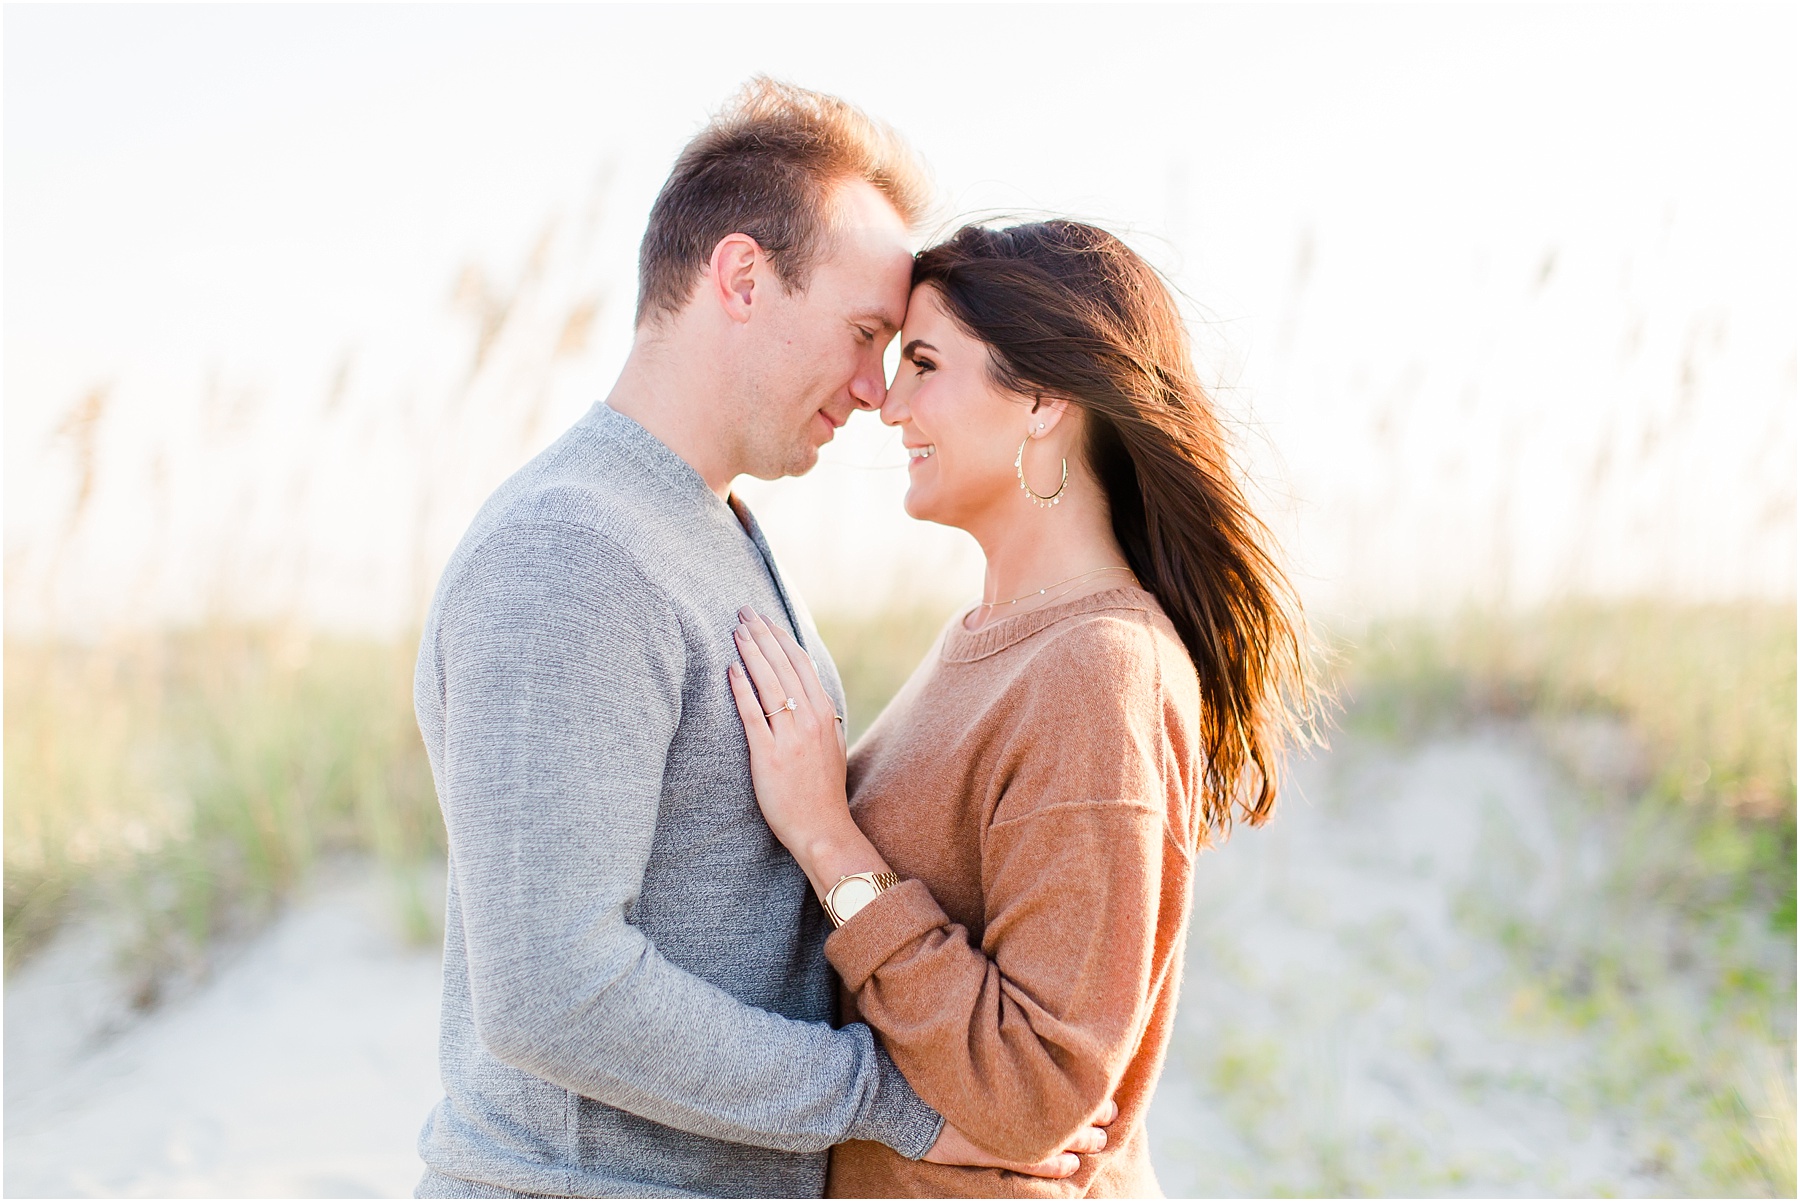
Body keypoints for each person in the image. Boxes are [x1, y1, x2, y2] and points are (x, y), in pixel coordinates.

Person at [411, 83, 1107, 1198]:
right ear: (741, 277)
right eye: (866, 332)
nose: (879, 389)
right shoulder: (570, 550)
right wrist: (892, 1102)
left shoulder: (707, 525)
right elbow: (554, 988)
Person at [727, 220, 1315, 1196]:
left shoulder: (1099, 671)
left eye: (922, 362)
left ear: (1043, 399)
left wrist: (830, 836)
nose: (888, 402)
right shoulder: (1001, 637)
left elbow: (1035, 1084)